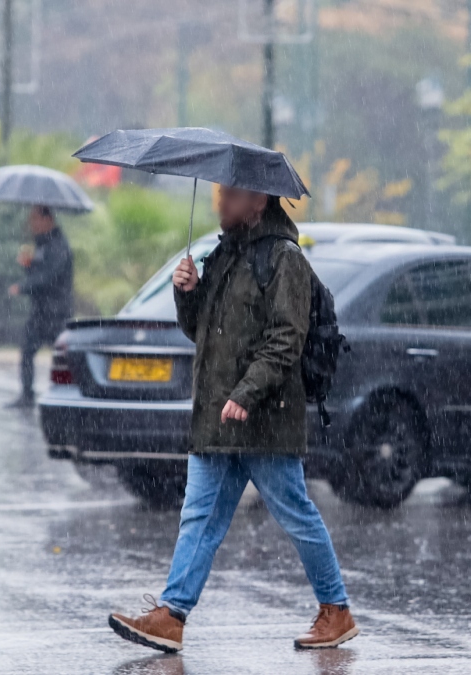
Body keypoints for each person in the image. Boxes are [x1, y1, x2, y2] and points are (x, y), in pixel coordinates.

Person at [107, 186, 358, 653]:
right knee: (199, 516)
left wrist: (248, 391)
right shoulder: (222, 255)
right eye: (219, 193)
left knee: (296, 514)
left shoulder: (285, 260)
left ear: (258, 202)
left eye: (231, 195)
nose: (219, 202)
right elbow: (200, 330)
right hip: (216, 416)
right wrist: (187, 294)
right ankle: (172, 615)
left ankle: (336, 610)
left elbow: (288, 337)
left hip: (264, 420)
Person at [5, 205, 74, 409]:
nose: (31, 224)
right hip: (40, 311)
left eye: (35, 219)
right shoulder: (42, 245)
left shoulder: (59, 246)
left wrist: (24, 286)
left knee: (63, 357)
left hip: (57, 312)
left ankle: (68, 397)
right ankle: (27, 395)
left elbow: (49, 278)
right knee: (27, 350)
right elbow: (40, 273)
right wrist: (29, 265)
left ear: (47, 219)